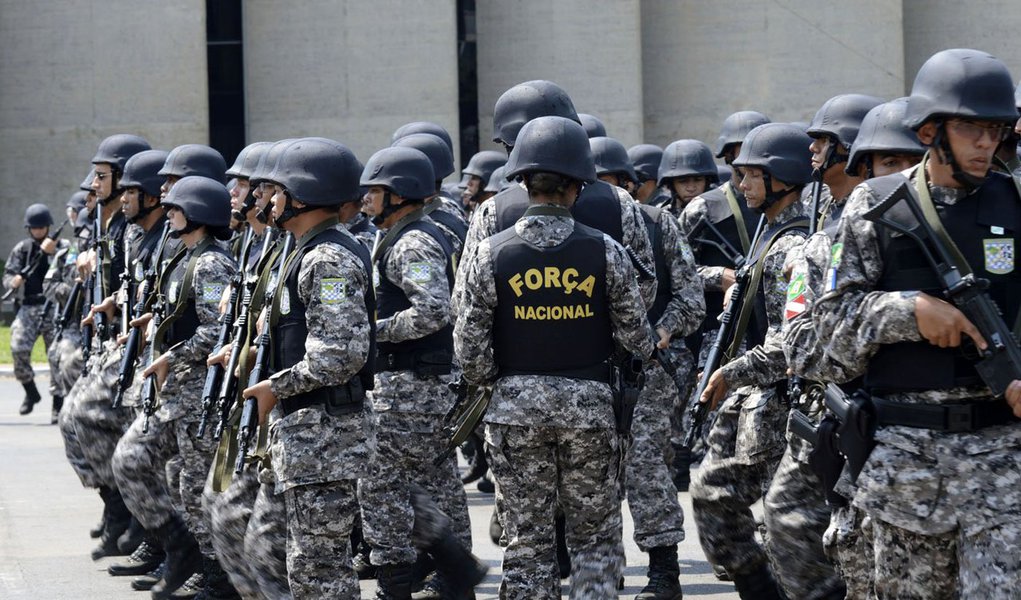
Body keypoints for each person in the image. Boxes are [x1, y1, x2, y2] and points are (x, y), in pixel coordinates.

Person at [813, 48, 1021, 598]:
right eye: (972, 129)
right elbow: (824, 339)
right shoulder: (873, 207)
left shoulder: (1015, 203)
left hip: (1002, 464)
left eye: (996, 129)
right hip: (907, 464)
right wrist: (908, 313)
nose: (987, 144)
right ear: (931, 130)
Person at [454, 115, 655, 599]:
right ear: (577, 188)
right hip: (589, 411)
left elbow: (468, 348)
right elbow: (638, 338)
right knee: (594, 535)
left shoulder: (490, 253)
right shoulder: (606, 251)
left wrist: (504, 382)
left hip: (514, 412)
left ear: (523, 183)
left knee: (527, 538)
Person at [780, 97, 925, 600]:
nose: (901, 178)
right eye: (887, 164)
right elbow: (800, 344)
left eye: (911, 162)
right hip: (871, 444)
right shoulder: (826, 246)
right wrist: (901, 320)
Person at [239, 137, 377, 598]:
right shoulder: (300, 251)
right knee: (290, 559)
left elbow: (339, 353)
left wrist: (274, 387)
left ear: (301, 195)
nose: (267, 200)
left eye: (275, 191)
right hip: (304, 434)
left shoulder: (327, 258)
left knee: (321, 571)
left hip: (325, 435)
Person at [689, 123, 814, 600]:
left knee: (785, 525)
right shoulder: (771, 233)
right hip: (753, 396)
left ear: (779, 177)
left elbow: (790, 342)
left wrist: (731, 372)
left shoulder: (794, 244)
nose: (740, 186)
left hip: (780, 399)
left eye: (749, 176)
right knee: (712, 497)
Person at [358, 146, 485, 600]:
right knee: (431, 481)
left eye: (376, 191)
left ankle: (427, 576)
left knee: (385, 481)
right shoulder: (398, 234)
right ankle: (455, 573)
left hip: (412, 385)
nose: (367, 199)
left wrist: (372, 331)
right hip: (413, 384)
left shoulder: (411, 241)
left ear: (402, 193)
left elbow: (434, 311)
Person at [112, 175, 236, 599]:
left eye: (176, 207)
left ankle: (218, 576)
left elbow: (218, 329)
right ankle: (189, 556)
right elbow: (183, 312)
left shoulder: (212, 262)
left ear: (197, 212)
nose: (168, 212)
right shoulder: (185, 257)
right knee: (174, 477)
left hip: (199, 391)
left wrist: (172, 355)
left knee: (202, 485)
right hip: (178, 393)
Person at [4, 203, 69, 415]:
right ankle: (31, 391)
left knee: (56, 357)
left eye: (42, 227)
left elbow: (69, 270)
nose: (39, 231)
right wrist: (12, 282)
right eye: (35, 228)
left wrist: (52, 255)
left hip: (54, 307)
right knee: (18, 348)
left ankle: (57, 404)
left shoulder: (63, 246)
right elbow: (9, 274)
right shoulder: (22, 249)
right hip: (29, 306)